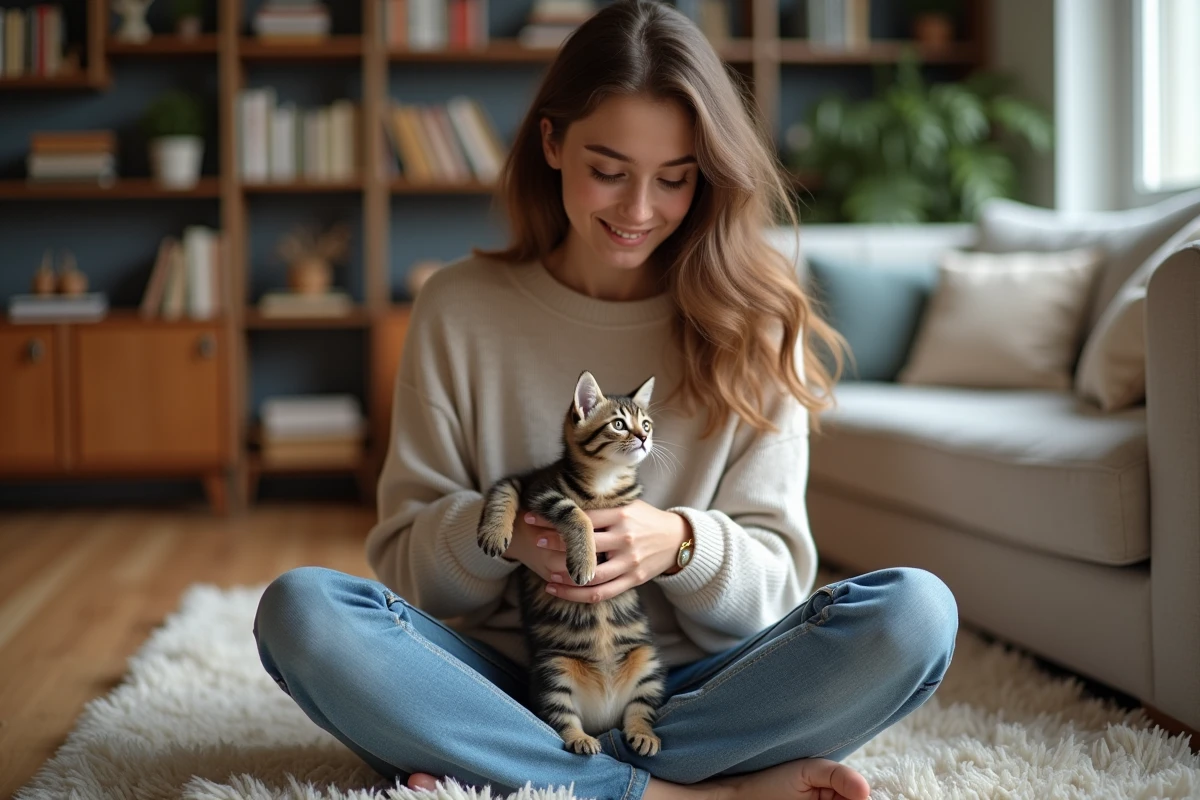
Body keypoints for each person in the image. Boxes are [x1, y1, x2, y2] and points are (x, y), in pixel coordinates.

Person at [252, 2, 959, 799]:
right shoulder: (458, 307)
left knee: (916, 615)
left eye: (675, 178)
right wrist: (511, 536)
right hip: (508, 688)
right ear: (552, 143)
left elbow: (776, 591)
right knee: (302, 612)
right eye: (609, 171)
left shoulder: (756, 321)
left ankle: (532, 775)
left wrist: (680, 543)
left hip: (693, 692)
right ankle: (693, 792)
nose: (638, 211)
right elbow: (413, 571)